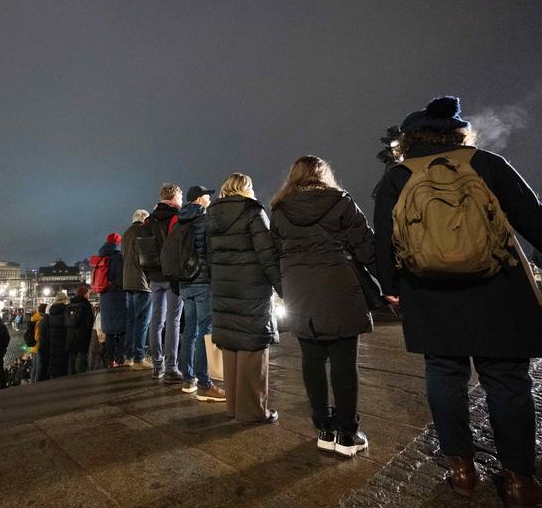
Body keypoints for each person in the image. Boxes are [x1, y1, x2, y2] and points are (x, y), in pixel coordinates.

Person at [374, 96, 542, 505]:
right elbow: (533, 220)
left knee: (445, 379)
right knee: (507, 383)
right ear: (456, 131)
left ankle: (462, 471)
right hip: (498, 291)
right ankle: (521, 478)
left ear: (410, 140)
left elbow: (385, 242)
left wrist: (391, 287)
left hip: (429, 294)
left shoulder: (397, 178)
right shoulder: (486, 164)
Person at [270, 156, 375, 457]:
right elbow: (366, 245)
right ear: (324, 174)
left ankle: (324, 429)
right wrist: (392, 286)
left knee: (311, 361)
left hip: (300, 291)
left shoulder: (279, 211)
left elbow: (276, 254)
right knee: (344, 364)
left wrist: (285, 287)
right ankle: (347, 434)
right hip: (339, 288)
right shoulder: (340, 202)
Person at [207, 173, 281, 423]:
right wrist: (283, 287)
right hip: (252, 288)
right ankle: (253, 411)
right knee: (253, 347)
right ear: (246, 188)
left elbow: (208, 256)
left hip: (224, 287)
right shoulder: (253, 212)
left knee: (231, 346)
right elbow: (267, 254)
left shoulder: (212, 216)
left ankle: (234, 407)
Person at [177, 185, 226, 402]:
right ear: (198, 200)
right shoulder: (205, 221)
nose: (209, 199)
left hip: (185, 283)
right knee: (205, 332)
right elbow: (211, 252)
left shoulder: (179, 222)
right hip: (203, 282)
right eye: (207, 196)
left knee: (189, 331)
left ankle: (189, 379)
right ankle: (205, 384)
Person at [146, 183, 184, 382]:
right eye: (180, 196)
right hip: (171, 277)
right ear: (175, 197)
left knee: (156, 321)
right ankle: (171, 367)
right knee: (173, 321)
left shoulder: (148, 220)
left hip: (154, 277)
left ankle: (156, 366)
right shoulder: (176, 217)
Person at [122, 208, 153, 370]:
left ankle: (128, 357)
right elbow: (147, 258)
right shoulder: (143, 231)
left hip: (128, 282)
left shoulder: (126, 234)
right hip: (142, 283)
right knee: (142, 322)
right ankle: (139, 358)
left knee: (131, 322)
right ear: (144, 220)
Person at [98, 233, 129, 368]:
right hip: (118, 298)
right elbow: (121, 279)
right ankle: (121, 359)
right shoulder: (119, 258)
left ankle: (109, 361)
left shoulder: (101, 257)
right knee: (122, 330)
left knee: (109, 332)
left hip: (105, 298)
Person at [66, 286, 95, 374]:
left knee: (71, 359)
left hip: (70, 336)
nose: (89, 295)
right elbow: (89, 322)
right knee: (81, 359)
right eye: (88, 293)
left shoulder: (69, 305)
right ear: (84, 294)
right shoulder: (86, 306)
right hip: (82, 336)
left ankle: (70, 377)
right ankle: (80, 378)